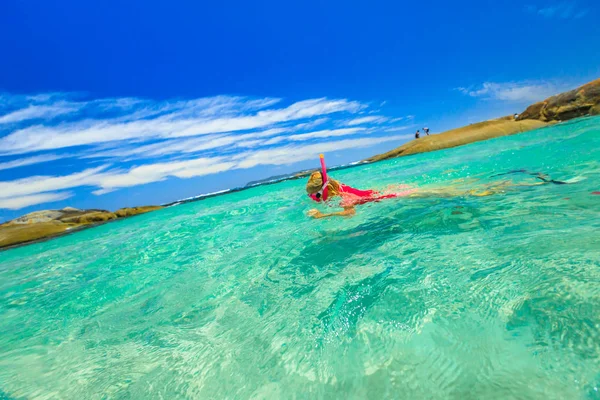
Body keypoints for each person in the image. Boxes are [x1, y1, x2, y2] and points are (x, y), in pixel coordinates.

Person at [305, 169, 571, 219]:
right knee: (457, 191)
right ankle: (527, 184)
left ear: (323, 191)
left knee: (473, 194)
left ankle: (527, 186)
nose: (316, 201)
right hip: (395, 192)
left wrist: (322, 217)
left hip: (399, 197)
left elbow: (349, 215)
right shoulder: (344, 189)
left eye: (315, 197)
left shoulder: (344, 197)